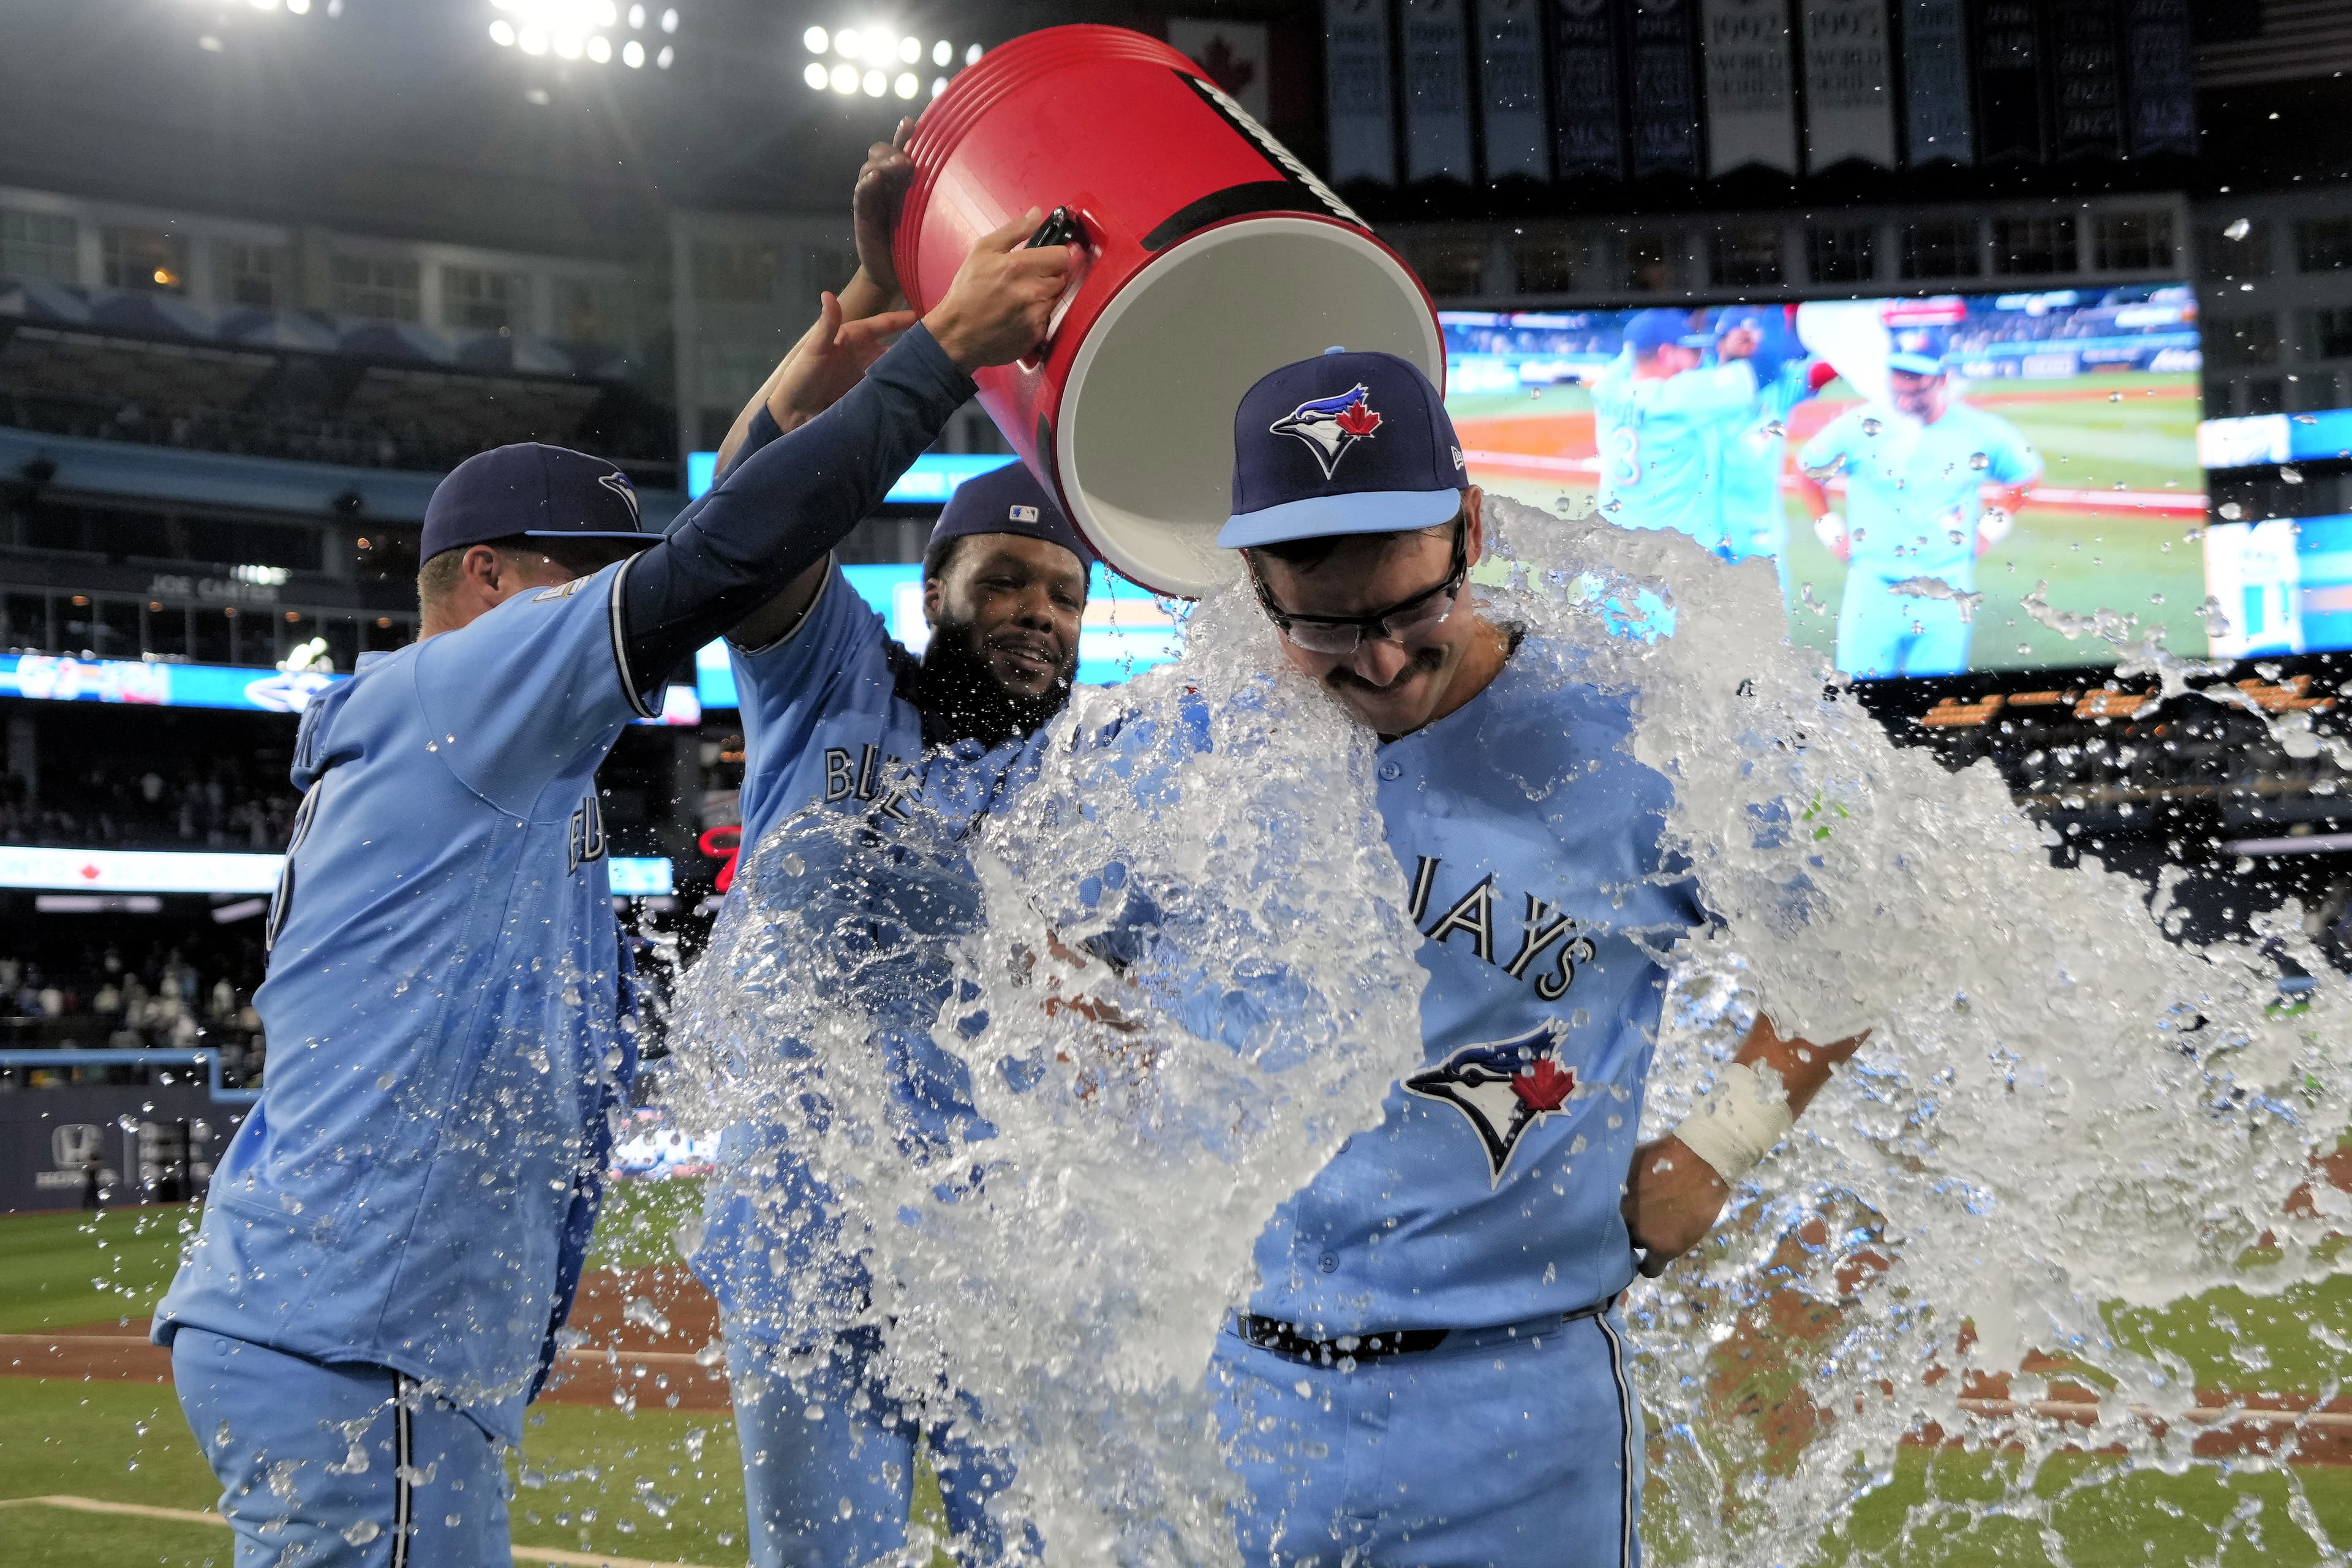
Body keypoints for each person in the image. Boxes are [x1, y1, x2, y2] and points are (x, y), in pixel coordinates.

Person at [151, 213, 1076, 1566]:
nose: (616, 613)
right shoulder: (468, 694)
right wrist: (936, 352)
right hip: (362, 1330)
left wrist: (819, 361)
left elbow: (733, 533)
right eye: (586, 580)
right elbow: (727, 558)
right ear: (487, 577)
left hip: (365, 1330)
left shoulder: (504, 767)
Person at [1200, 347, 1868, 1567]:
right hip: (1238, 1396)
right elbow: (1056, 946)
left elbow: (1864, 927)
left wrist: (1721, 1146)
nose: (1383, 664)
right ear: (1251, 580)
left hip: (1519, 1411)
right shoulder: (1205, 747)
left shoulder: (1640, 733)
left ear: (1470, 527)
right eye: (1327, 626)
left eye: (1411, 610)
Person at [685, 130, 1096, 1567]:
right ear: (932, 586)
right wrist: (879, 293)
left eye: (1063, 589)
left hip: (1022, 1263)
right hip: (809, 1246)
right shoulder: (830, 682)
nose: (1037, 608)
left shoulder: (1108, 774)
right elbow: (737, 524)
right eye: (1004, 579)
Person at [1793, 327, 2041, 678]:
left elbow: (2025, 474)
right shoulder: (1863, 424)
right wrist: (1830, 531)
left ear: (1942, 380)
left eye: (1917, 387)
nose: (1906, 399)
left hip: (1948, 591)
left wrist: (1991, 529)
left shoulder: (1978, 430)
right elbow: (1807, 470)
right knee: (1858, 708)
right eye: (1899, 386)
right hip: (1874, 589)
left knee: (1938, 714)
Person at [1589, 307, 1756, 549]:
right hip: (1673, 570)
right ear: (1666, 354)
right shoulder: (1680, 397)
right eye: (1690, 351)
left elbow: (1631, 351)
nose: (1697, 359)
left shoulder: (1606, 389)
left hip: (1611, 561)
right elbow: (1752, 378)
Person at [1709, 304, 1819, 603]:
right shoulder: (1703, 387)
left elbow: (1821, 372)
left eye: (1754, 340)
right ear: (1721, 343)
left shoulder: (1779, 387)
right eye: (1741, 339)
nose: (1750, 346)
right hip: (1705, 532)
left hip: (1760, 535)